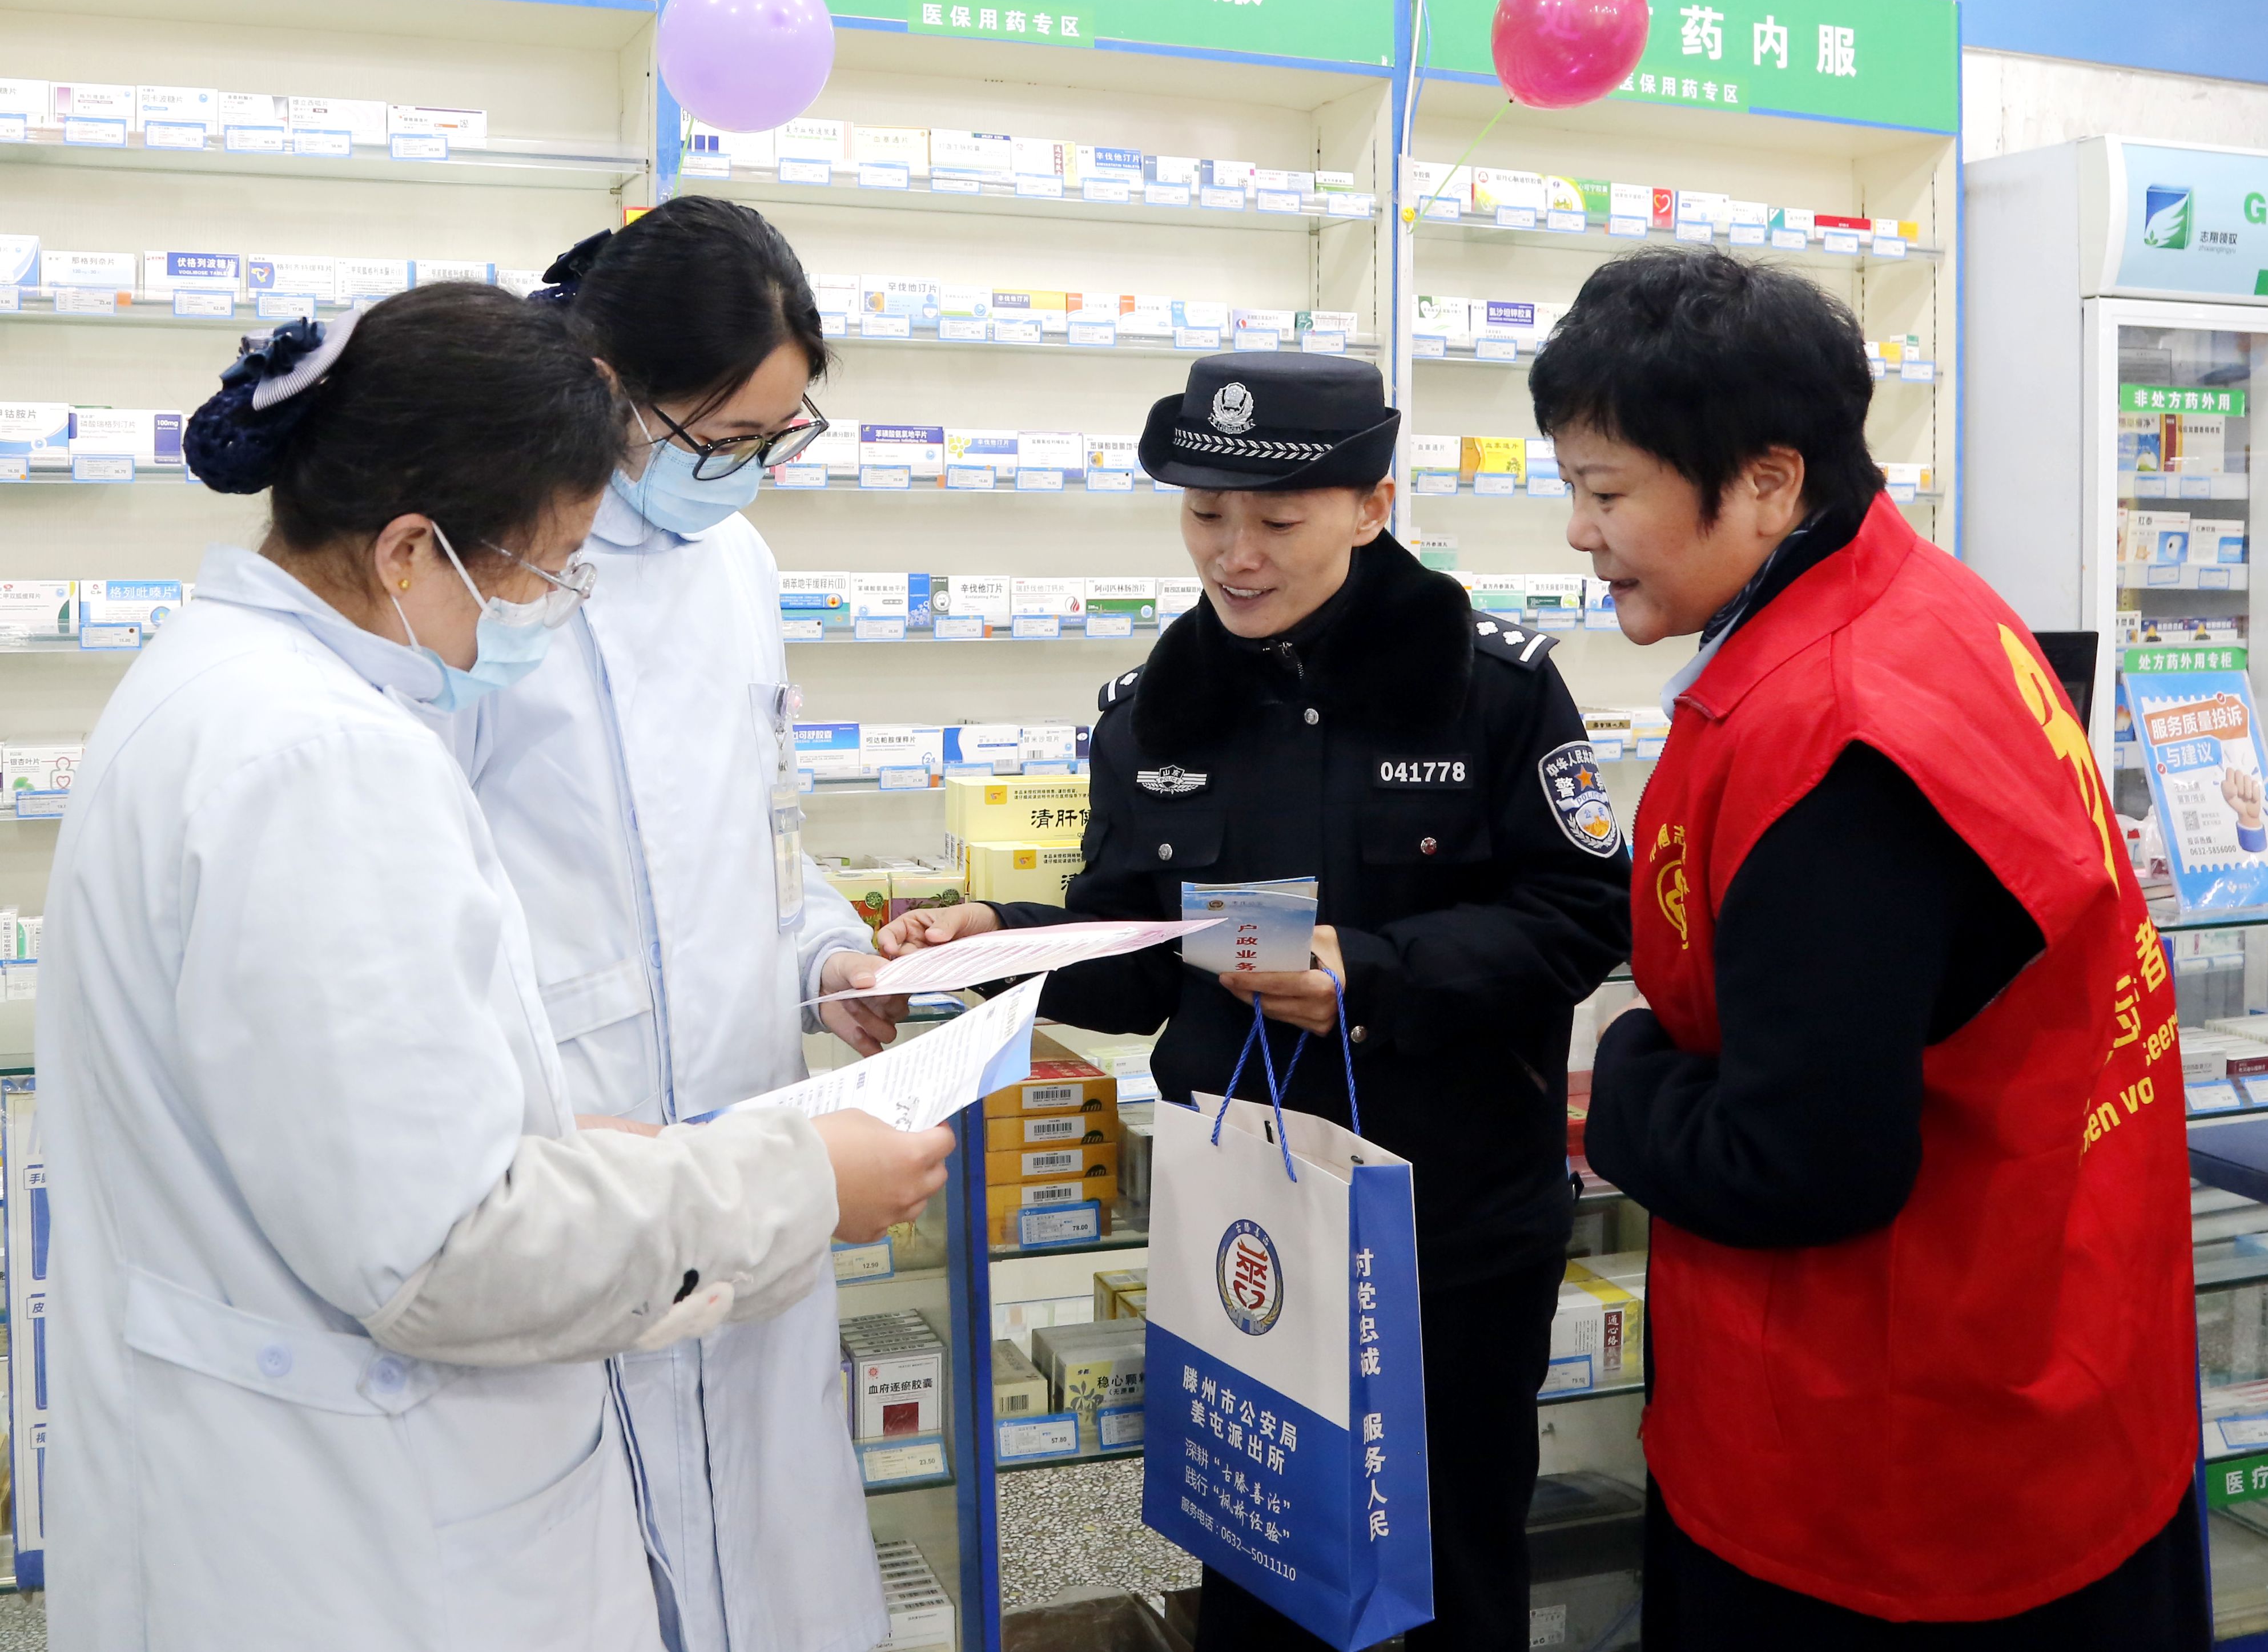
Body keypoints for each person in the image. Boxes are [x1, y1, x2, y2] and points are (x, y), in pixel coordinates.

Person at [38, 284, 950, 1652]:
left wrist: (574, 1137)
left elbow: (339, 1131)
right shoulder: (326, 760)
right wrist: (801, 1184)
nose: (555, 608)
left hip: (268, 1488)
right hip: (362, 1536)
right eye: (550, 567)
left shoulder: (216, 683)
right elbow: (448, 1246)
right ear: (411, 549)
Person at [878, 352, 1632, 1651]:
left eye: (1277, 520)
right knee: (1257, 1563)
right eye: (1204, 515)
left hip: (1445, 1224)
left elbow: (1579, 913)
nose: (1235, 555)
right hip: (1246, 1224)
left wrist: (1370, 972)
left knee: (1454, 1567)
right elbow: (1135, 957)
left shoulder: (1492, 687)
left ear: (1372, 506)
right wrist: (997, 937)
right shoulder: (1153, 714)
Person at [1531, 247, 2203, 1649]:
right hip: (2067, 1344)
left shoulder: (1830, 741)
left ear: (1769, 482)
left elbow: (1803, 1161)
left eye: (1607, 491)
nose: (1579, 533)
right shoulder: (1934, 602)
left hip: (1892, 1462)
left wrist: (1629, 1075)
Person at [447, 198, 919, 1652]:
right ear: (609, 387)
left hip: (746, 1130)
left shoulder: (741, 566)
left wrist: (828, 955)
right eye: (720, 439)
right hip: (575, 1147)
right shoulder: (492, 575)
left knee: (770, 1539)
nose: (745, 473)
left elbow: (762, 829)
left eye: (779, 437)